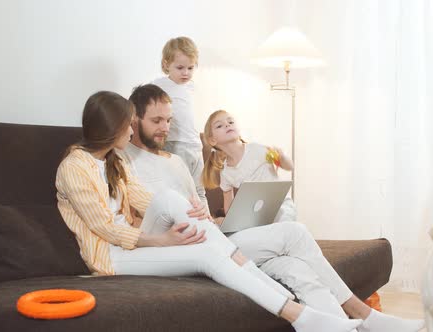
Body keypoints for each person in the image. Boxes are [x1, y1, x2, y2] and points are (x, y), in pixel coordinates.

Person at [55, 90, 364, 332]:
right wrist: (162, 241)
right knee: (208, 254)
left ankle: (293, 307)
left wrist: (189, 213)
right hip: (112, 255)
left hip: (136, 241)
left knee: (171, 200)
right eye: (129, 124)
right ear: (112, 128)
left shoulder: (112, 161)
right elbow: (105, 227)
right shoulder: (74, 167)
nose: (132, 130)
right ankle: (300, 314)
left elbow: (147, 198)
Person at [122, 88, 424, 332]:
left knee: (297, 268)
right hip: (175, 248)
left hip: (211, 237)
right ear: (134, 121)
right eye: (156, 121)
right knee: (294, 233)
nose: (165, 128)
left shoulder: (175, 161)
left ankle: (348, 327)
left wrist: (213, 218)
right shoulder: (122, 159)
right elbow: (130, 217)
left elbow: (198, 200)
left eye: (169, 120)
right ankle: (365, 315)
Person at [150, 36, 206, 207]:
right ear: (166, 64)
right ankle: (186, 222)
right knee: (180, 189)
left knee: (200, 190)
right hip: (175, 144)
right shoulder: (159, 85)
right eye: (180, 67)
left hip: (195, 145)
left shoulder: (190, 86)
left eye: (190, 68)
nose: (186, 73)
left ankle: (208, 222)